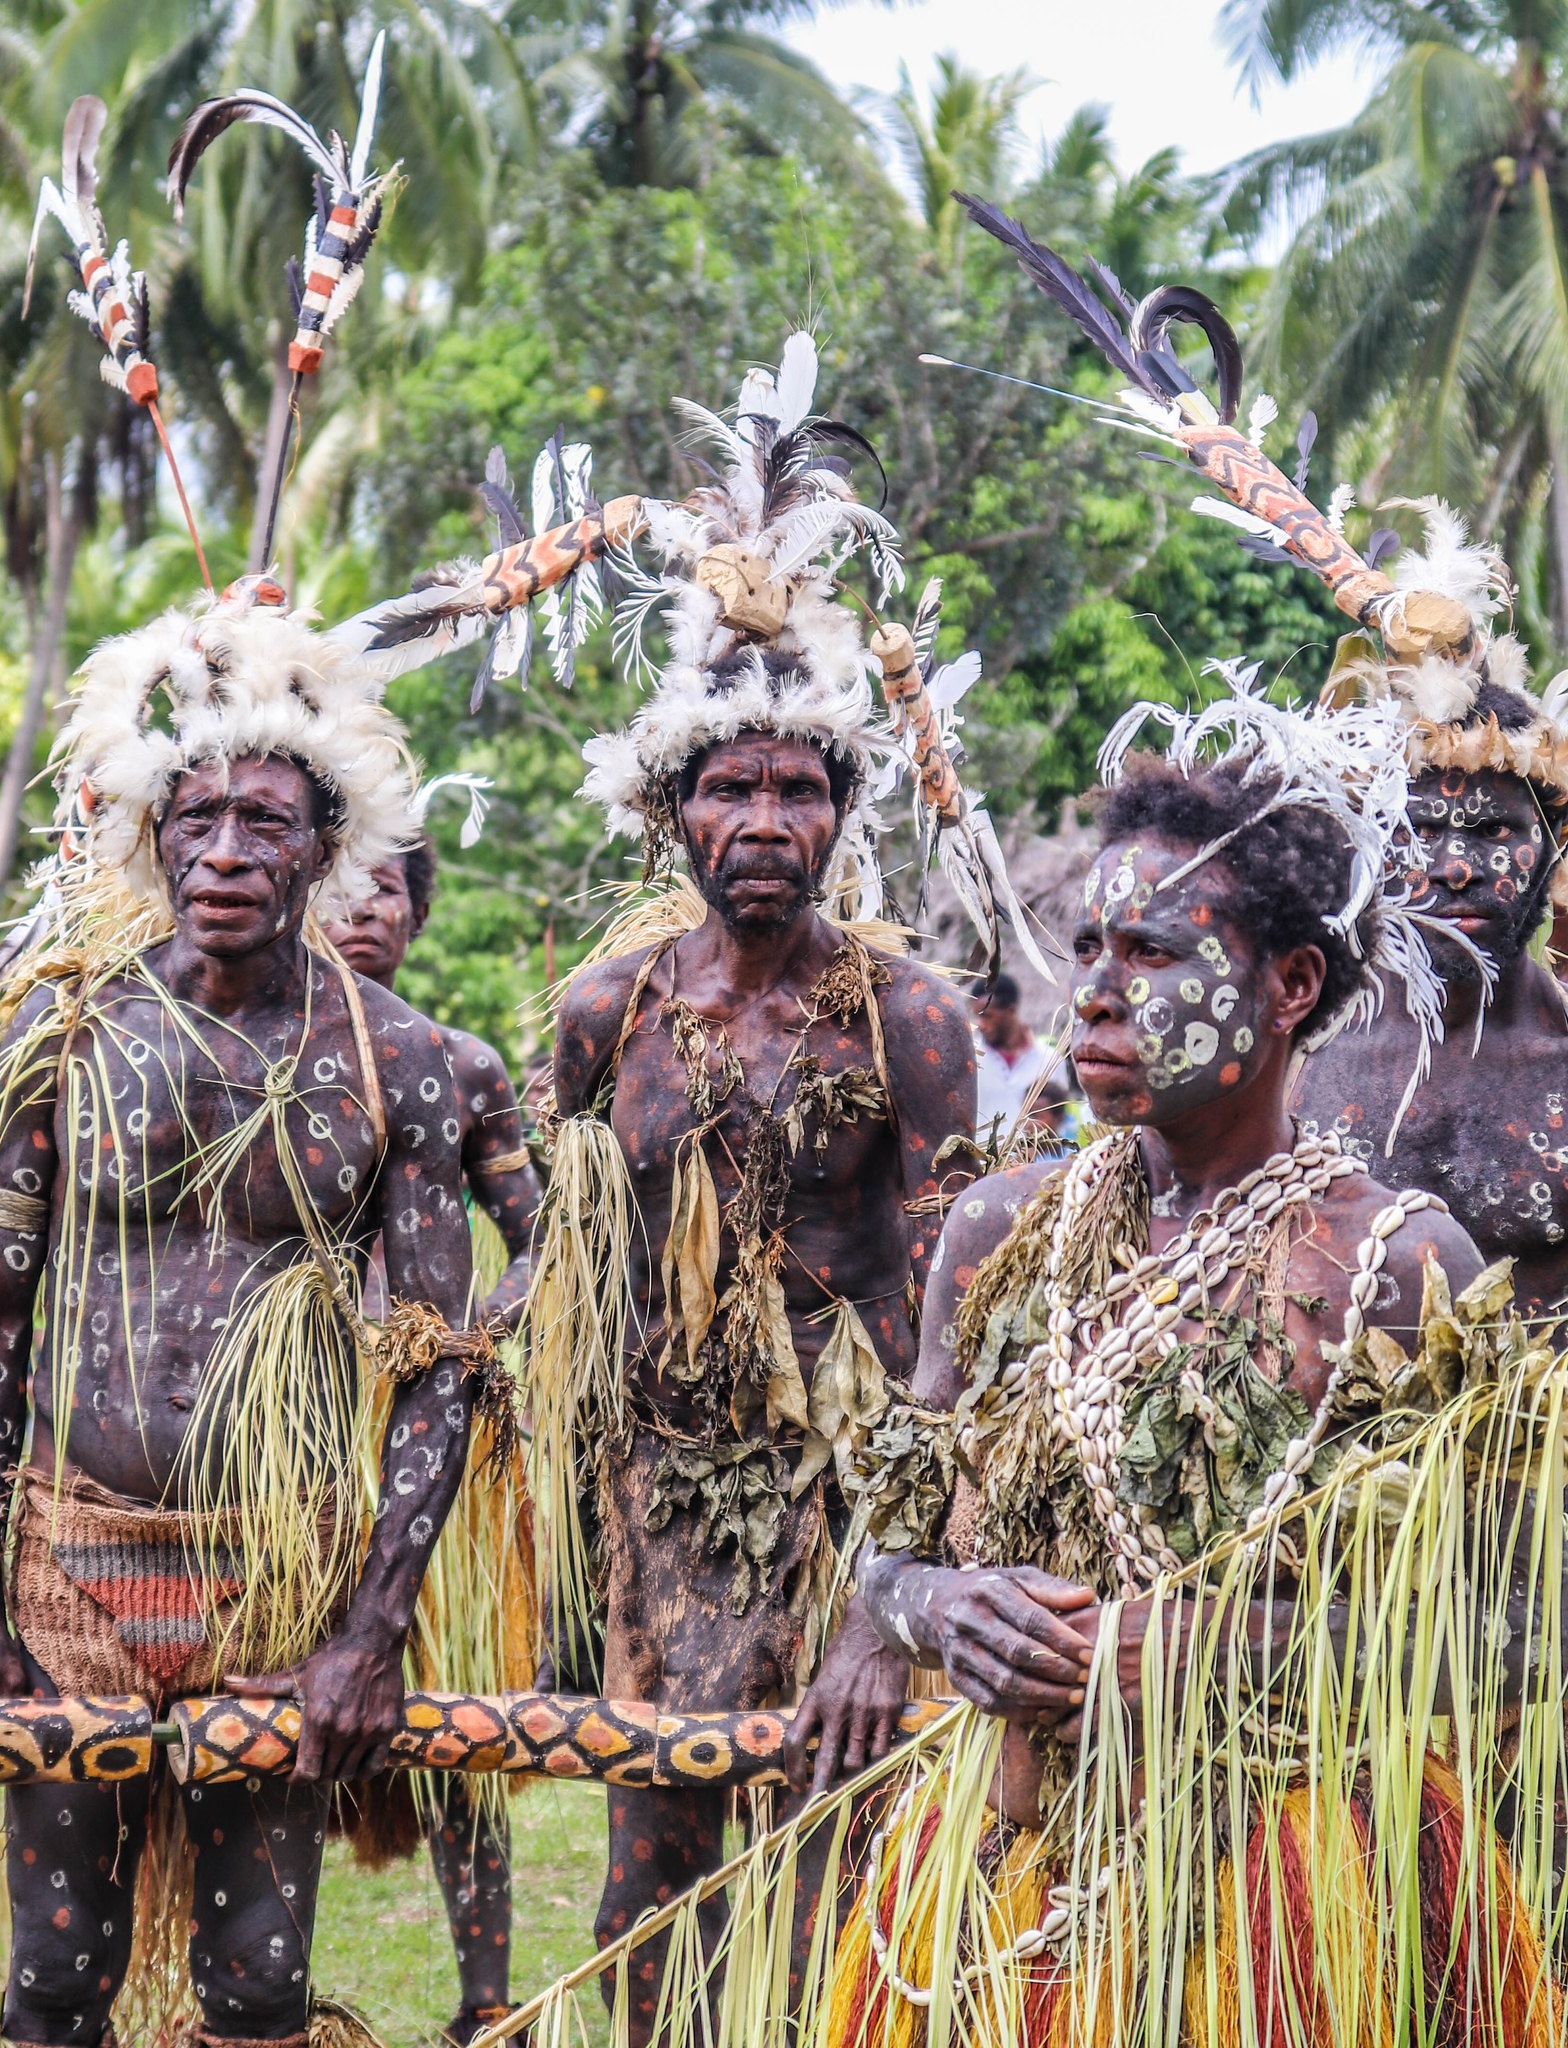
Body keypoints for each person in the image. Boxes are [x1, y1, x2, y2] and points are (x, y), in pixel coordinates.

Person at [774, 662, 1568, 2046]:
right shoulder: (997, 1229)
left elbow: (1498, 1636)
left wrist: (1204, 1647)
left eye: (1152, 956)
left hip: (1291, 1898)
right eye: (1090, 950)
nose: (1093, 995)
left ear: (1290, 984)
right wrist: (937, 1615)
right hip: (1007, 1878)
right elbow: (886, 1544)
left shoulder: (1398, 1267)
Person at [0, 576, 489, 2048]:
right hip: (71, 1563)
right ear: (151, 839)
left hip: (273, 1578)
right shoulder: (65, 1032)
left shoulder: (396, 1063)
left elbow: (441, 1364)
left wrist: (369, 1630)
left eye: (265, 825)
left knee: (258, 1978)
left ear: (325, 850)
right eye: (196, 823)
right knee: (52, 1977)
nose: (225, 854)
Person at [528, 337, 980, 2045]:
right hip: (662, 1471)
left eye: (798, 785)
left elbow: (949, 1272)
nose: (766, 813)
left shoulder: (907, 1011)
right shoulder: (604, 1012)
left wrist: (919, 1505)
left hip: (847, 1460)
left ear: (844, 808)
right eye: (731, 783)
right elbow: (566, 1249)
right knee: (654, 1840)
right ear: (675, 812)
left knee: (835, 1824)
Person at [324, 831, 545, 2045]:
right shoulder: (255, 1057)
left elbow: (543, 1234)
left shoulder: (457, 1065)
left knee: (455, 1729)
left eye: (390, 889)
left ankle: (486, 1995)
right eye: (345, 882)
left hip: (431, 1437)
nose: (364, 907)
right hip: (292, 1438)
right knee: (280, 1723)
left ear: (417, 912)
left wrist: (466, 1333)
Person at [1288, 516, 1568, 1316]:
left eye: (1493, 831)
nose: (1454, 866)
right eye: (1418, 832)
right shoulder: (1295, 1056)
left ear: (1549, 853)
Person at [970, 973, 1050, 1139]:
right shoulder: (970, 1058)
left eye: (986, 1015)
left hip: (1035, 1164)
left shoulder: (1049, 1060)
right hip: (979, 1164)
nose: (980, 1024)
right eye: (976, 1016)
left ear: (1010, 1011)